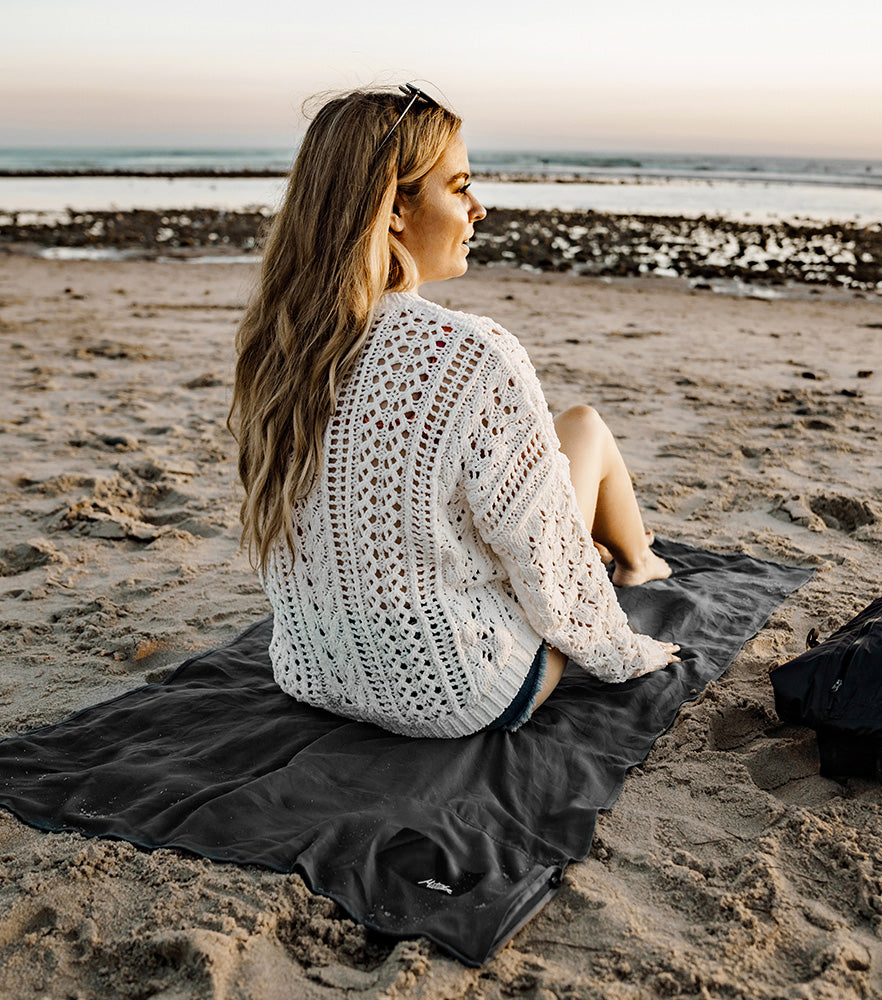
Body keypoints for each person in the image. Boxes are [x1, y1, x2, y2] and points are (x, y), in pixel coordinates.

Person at [229, 84, 680, 739]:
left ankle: (637, 557)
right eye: (459, 186)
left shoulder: (281, 348)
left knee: (560, 444)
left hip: (312, 674)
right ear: (394, 209)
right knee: (583, 430)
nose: (479, 207)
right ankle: (638, 561)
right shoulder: (472, 354)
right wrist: (626, 651)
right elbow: (549, 566)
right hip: (459, 692)